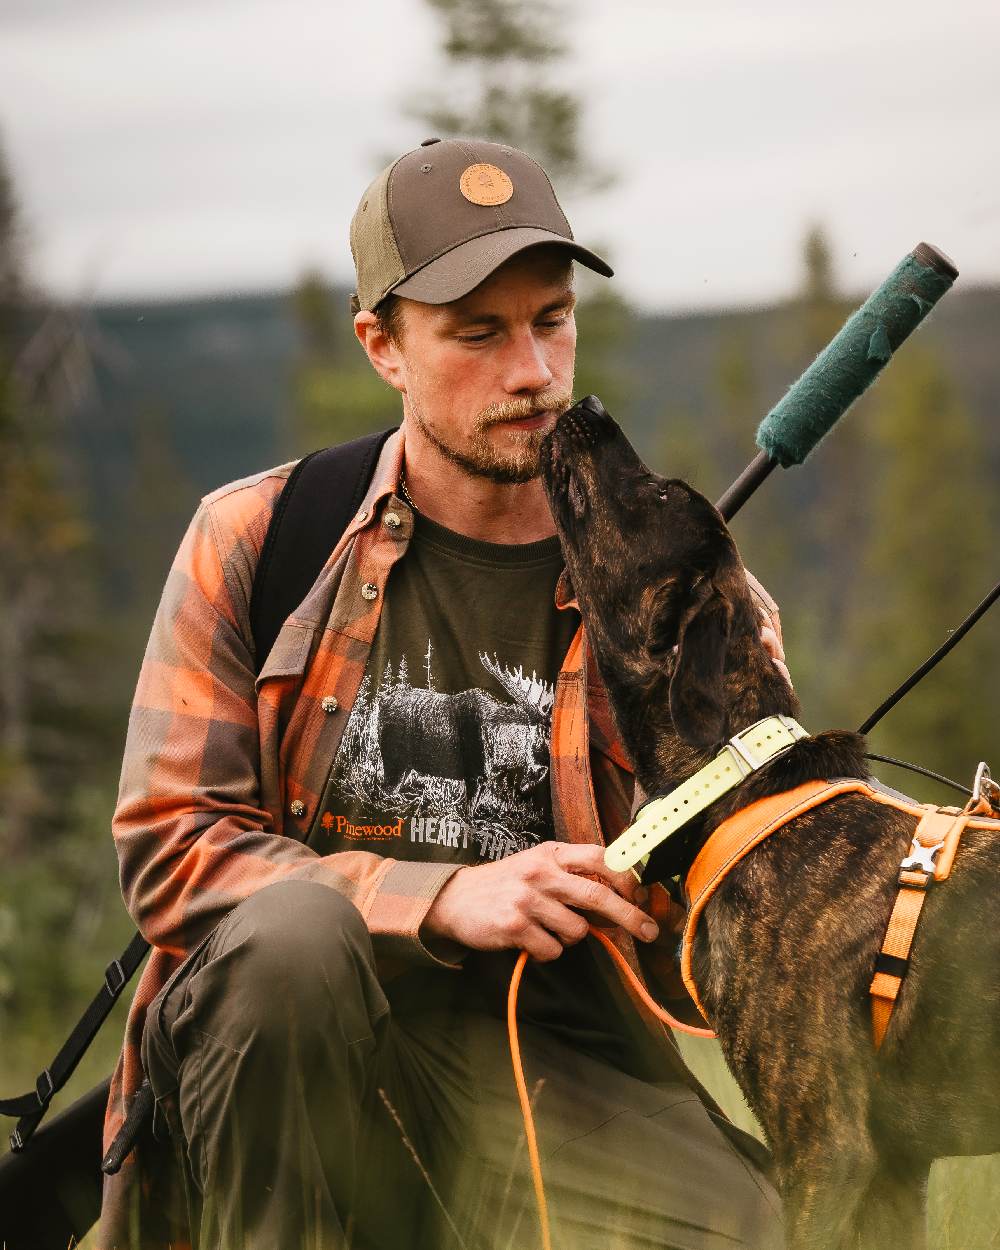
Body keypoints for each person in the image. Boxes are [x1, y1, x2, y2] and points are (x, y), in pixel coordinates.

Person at [98, 137, 787, 1249]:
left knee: (747, 1229)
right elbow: (173, 848)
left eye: (551, 320)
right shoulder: (260, 539)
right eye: (478, 333)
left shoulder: (676, 591)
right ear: (383, 345)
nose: (533, 371)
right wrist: (435, 898)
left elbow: (734, 920)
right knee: (291, 941)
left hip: (556, 1054)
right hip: (291, 1039)